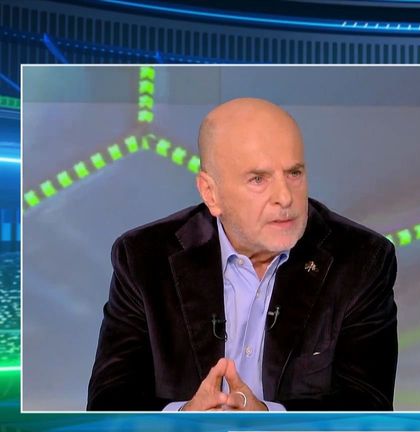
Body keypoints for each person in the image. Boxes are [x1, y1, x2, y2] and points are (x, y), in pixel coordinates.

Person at [87, 98, 398, 411]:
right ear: (211, 193)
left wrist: (269, 423)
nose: (285, 197)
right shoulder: (144, 259)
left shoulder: (362, 260)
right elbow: (107, 404)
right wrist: (183, 417)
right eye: (258, 179)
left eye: (294, 173)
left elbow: (368, 407)